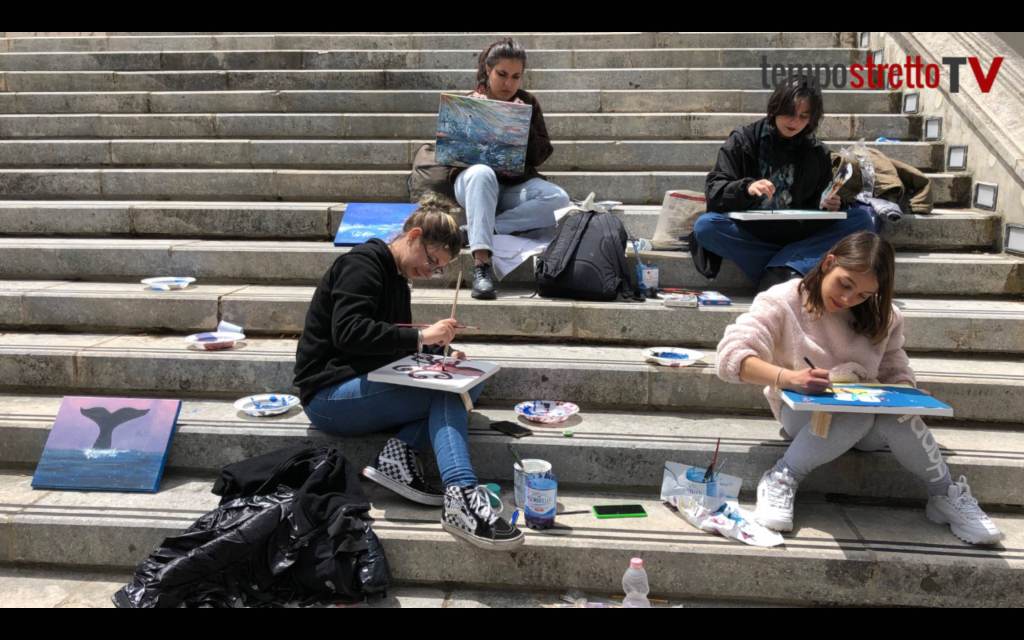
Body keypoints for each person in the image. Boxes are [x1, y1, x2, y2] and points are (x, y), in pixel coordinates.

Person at [716, 231, 1003, 545]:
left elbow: (895, 366)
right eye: (845, 284)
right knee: (856, 415)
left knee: (897, 417)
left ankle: (945, 495)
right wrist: (788, 377)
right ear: (828, 263)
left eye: (864, 294)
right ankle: (782, 476)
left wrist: (904, 393)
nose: (849, 299)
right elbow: (732, 357)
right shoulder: (783, 300)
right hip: (804, 413)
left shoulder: (883, 314)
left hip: (867, 414)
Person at [293, 193, 524, 550]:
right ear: (414, 236)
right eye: (432, 261)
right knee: (448, 391)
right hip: (328, 395)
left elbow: (392, 345)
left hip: (364, 385)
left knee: (468, 381)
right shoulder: (362, 264)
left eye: (438, 268)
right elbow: (350, 332)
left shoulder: (398, 279)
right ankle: (461, 495)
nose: (430, 272)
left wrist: (438, 352)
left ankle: (398, 454)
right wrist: (421, 337)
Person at [693, 75, 877, 293]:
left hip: (800, 234)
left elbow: (820, 202)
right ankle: (790, 267)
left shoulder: (817, 151)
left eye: (803, 116)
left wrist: (832, 204)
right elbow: (715, 190)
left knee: (862, 219)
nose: (794, 122)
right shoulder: (743, 140)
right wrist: (746, 188)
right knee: (706, 227)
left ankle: (779, 271)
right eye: (789, 113)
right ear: (775, 108)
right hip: (753, 234)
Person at [452, 38, 571, 300]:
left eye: (516, 77)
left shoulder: (527, 102)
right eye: (502, 74)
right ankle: (482, 266)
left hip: (514, 187)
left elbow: (541, 155)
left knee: (559, 199)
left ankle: (480, 229)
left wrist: (522, 125)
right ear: (488, 70)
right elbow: (451, 157)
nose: (508, 84)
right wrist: (477, 125)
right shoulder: (467, 103)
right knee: (482, 173)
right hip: (473, 185)